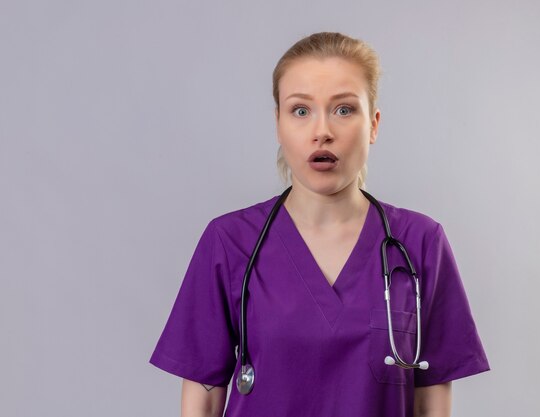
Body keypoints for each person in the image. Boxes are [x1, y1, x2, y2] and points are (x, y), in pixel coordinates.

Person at [149, 31, 490, 417]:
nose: (322, 130)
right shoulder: (229, 243)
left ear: (374, 125)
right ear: (278, 124)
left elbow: (432, 400)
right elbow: (202, 400)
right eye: (300, 110)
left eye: (344, 109)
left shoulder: (420, 243)